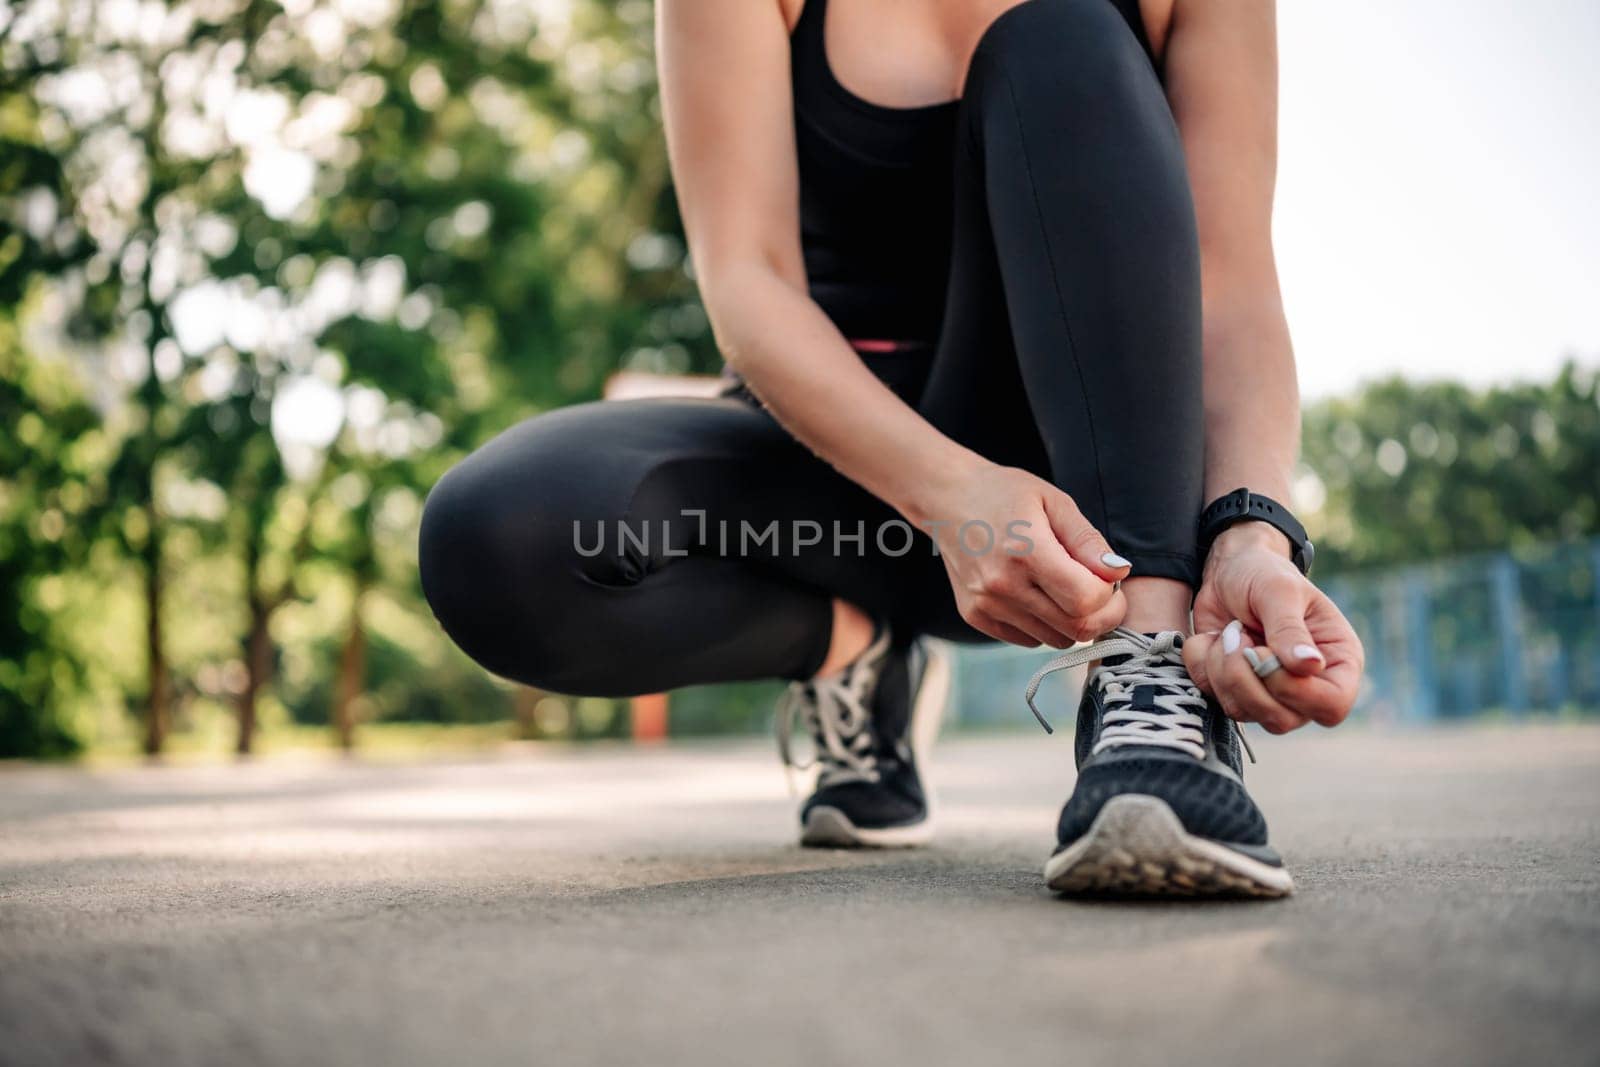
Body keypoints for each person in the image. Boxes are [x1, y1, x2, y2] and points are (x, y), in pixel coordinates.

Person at [418, 0, 1364, 897]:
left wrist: (1250, 532)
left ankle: (1149, 692)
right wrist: (949, 497)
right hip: (847, 490)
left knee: (1060, 32)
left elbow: (1232, 286)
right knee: (496, 537)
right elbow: (747, 281)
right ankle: (856, 655)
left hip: (1085, 525)